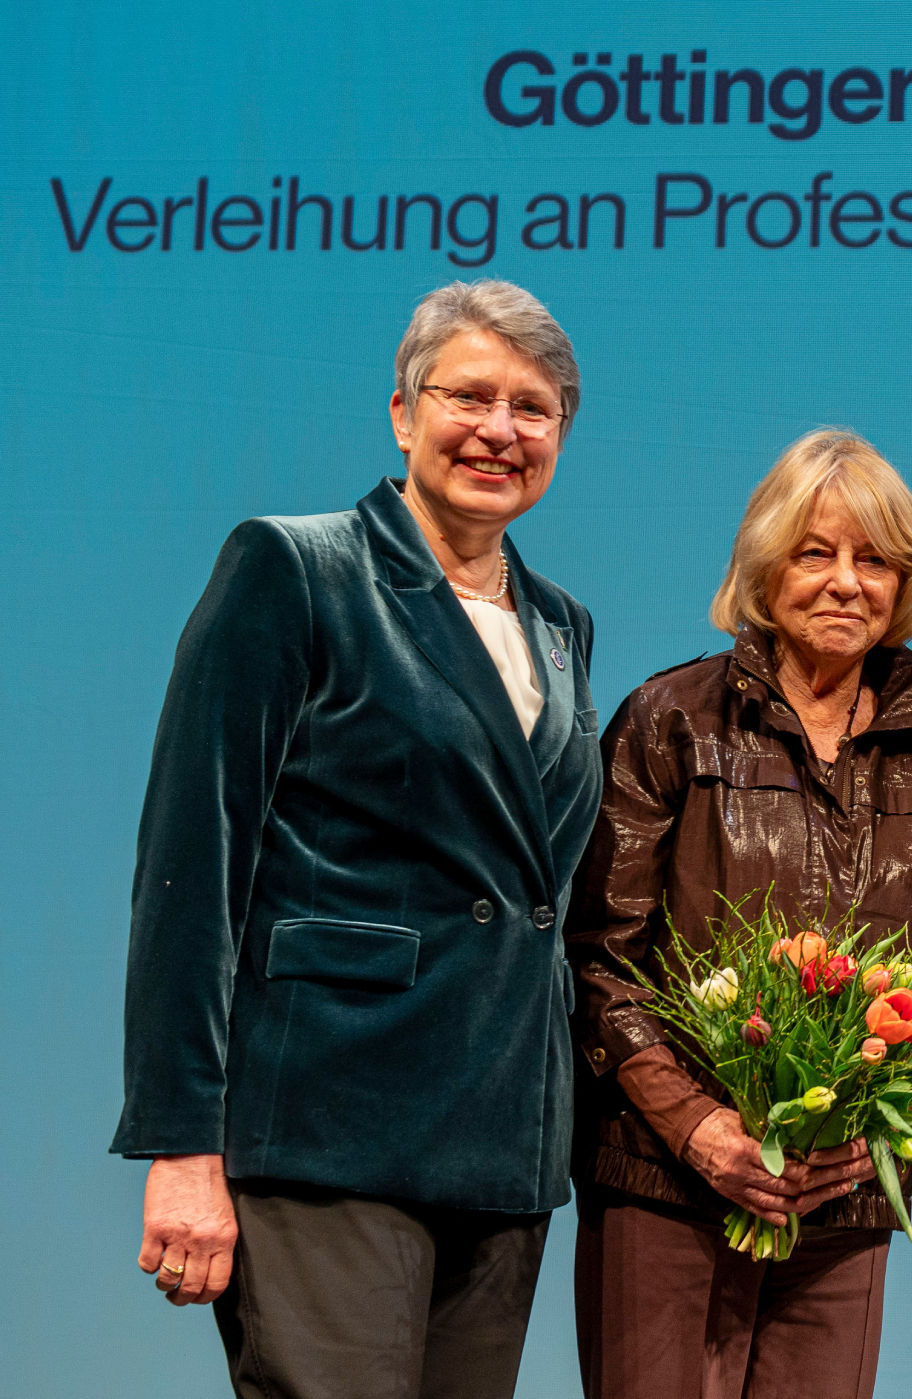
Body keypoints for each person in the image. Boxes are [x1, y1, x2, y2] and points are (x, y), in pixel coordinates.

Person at [111, 280, 602, 1398]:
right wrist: (182, 1147)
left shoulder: (561, 621)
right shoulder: (295, 569)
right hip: (331, 1132)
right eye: (467, 395)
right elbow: (192, 867)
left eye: (533, 408)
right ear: (400, 412)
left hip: (500, 1159)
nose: (499, 430)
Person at [563, 428, 912, 1399]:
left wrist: (867, 1137)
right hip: (666, 1186)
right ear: (766, 566)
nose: (846, 581)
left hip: (841, 1206)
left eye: (874, 559)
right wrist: (704, 1129)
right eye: (816, 552)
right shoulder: (669, 719)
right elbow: (599, 962)